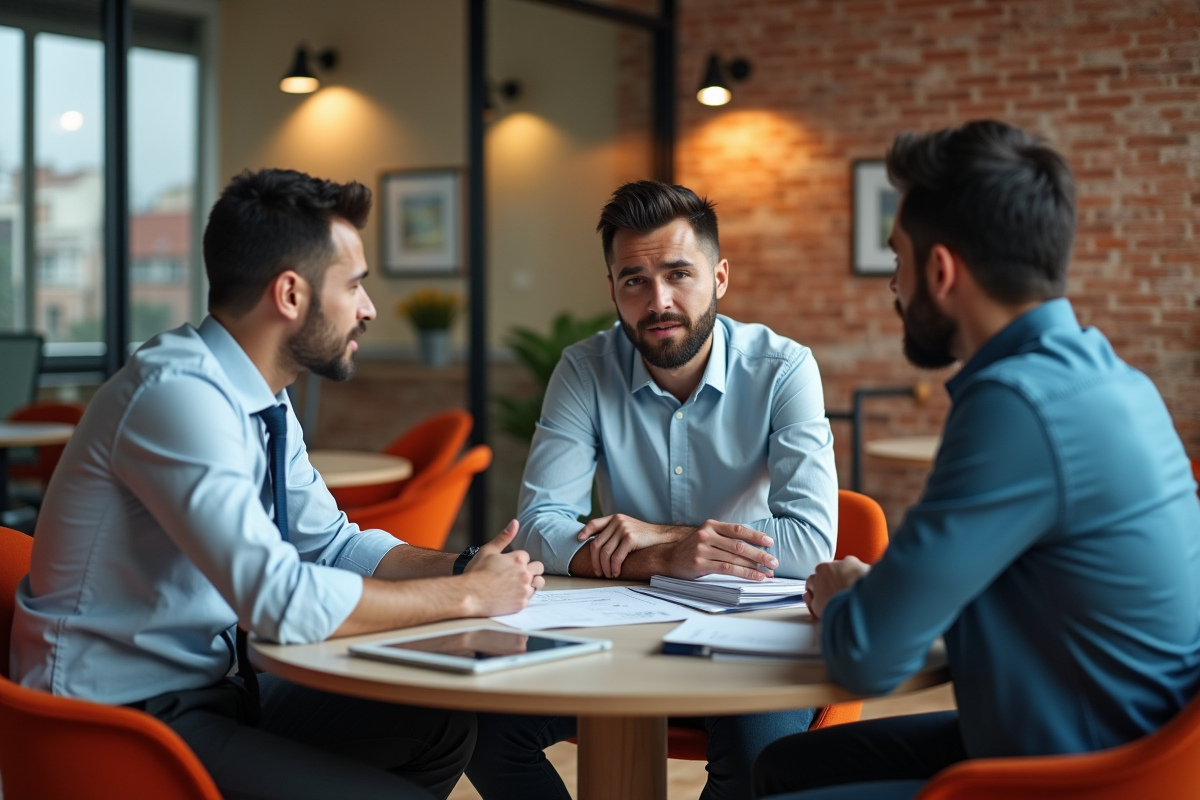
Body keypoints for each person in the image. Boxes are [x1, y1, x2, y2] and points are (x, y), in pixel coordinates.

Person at [9, 169, 546, 800]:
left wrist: (462, 567)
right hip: (116, 718)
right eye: (354, 285)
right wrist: (467, 598)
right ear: (290, 295)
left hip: (215, 689)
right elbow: (279, 602)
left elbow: (332, 544)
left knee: (443, 725)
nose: (369, 309)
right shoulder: (176, 396)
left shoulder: (262, 396)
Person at [752, 120, 1200, 800]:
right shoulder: (1109, 377)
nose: (894, 284)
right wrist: (878, 597)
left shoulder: (1015, 404)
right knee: (784, 767)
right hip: (1118, 738)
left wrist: (845, 597)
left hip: (1082, 777)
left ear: (940, 270)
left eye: (898, 260)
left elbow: (869, 659)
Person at [466, 180, 839, 800]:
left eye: (678, 274)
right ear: (613, 289)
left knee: (759, 760)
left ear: (719, 278)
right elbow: (537, 525)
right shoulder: (584, 369)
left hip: (749, 633)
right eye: (634, 280)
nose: (658, 300)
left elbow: (808, 542)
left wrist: (671, 537)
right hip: (616, 627)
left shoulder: (783, 369)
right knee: (480, 727)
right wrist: (663, 558)